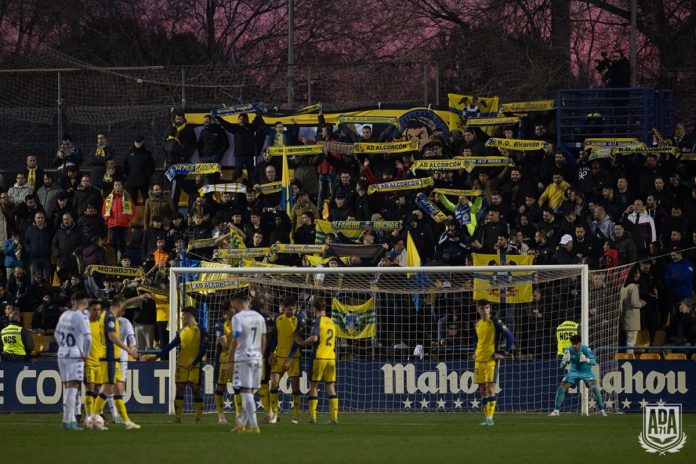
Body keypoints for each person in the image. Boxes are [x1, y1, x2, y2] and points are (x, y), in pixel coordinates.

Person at [89, 296, 141, 430]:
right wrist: (129, 350)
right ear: (119, 307)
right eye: (123, 309)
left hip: (116, 358)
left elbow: (124, 303)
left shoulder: (111, 315)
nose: (124, 311)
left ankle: (127, 422)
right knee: (108, 389)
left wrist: (140, 297)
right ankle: (93, 419)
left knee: (118, 389)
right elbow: (112, 337)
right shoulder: (109, 318)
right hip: (108, 357)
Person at [157, 306, 207, 423]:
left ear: (189, 316)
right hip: (182, 365)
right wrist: (155, 356)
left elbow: (203, 349)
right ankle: (178, 417)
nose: (181, 318)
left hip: (195, 366)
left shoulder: (202, 330)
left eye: (183, 316)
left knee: (196, 390)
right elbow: (170, 346)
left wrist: (194, 363)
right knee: (179, 390)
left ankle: (199, 417)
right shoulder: (182, 332)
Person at [226, 293, 267, 433]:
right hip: (257, 357)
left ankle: (254, 426)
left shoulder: (238, 318)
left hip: (244, 357)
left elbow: (235, 340)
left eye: (233, 304)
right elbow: (263, 341)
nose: (233, 307)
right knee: (250, 392)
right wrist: (260, 355)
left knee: (245, 392)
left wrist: (228, 360)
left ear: (237, 302)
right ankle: (241, 424)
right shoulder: (259, 317)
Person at [294, 297, 338, 424]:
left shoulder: (317, 321)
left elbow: (314, 338)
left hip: (319, 358)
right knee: (330, 386)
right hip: (331, 358)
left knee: (314, 385)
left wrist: (301, 342)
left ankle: (312, 417)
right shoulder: (331, 322)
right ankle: (334, 417)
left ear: (314, 308)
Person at [474, 299, 514, 426]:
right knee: (482, 391)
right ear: (478, 309)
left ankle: (490, 418)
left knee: (491, 389)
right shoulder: (477, 324)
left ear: (490, 309)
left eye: (487, 308)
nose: (485, 311)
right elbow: (478, 341)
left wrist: (503, 353)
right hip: (478, 361)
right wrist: (475, 351)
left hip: (491, 360)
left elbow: (510, 337)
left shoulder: (495, 321)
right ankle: (486, 418)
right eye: (482, 308)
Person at [54, 292, 91, 430]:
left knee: (67, 387)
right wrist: (85, 354)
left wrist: (63, 346)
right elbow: (88, 338)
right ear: (84, 302)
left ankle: (68, 419)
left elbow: (56, 334)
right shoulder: (80, 317)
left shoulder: (65, 315)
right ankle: (68, 421)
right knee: (73, 387)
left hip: (61, 354)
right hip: (75, 355)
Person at [549, 334, 607, 416]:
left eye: (576, 344)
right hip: (574, 372)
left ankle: (602, 411)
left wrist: (586, 360)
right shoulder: (568, 350)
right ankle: (556, 411)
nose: (574, 346)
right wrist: (565, 361)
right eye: (572, 344)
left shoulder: (586, 349)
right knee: (561, 388)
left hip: (586, 372)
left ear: (579, 343)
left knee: (594, 387)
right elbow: (561, 366)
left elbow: (594, 362)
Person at [269, 296, 303, 424]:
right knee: (274, 385)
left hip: (293, 358)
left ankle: (296, 415)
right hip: (279, 356)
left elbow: (296, 342)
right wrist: (272, 352)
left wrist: (289, 359)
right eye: (288, 309)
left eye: (293, 309)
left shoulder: (299, 320)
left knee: (295, 388)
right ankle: (275, 414)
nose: (290, 312)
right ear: (284, 308)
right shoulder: (278, 318)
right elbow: (274, 338)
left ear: (296, 309)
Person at [213, 300, 240, 424]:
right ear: (226, 311)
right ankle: (221, 416)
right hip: (223, 361)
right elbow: (223, 344)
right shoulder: (220, 323)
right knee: (220, 388)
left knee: (238, 388)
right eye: (233, 308)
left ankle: (239, 415)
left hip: (237, 360)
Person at [620, 267, 646, 353]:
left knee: (627, 340)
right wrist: (641, 303)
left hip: (625, 316)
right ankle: (629, 360)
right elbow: (634, 303)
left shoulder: (624, 286)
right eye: (638, 272)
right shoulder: (633, 286)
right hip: (632, 318)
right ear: (635, 274)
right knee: (631, 341)